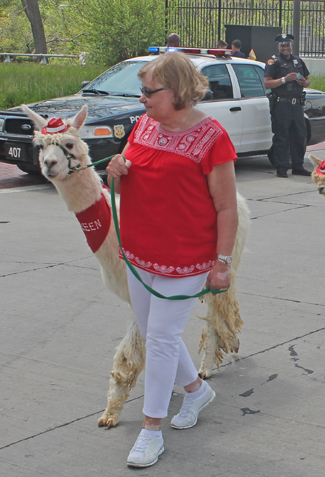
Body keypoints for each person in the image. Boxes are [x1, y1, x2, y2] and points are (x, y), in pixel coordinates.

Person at [106, 51, 238, 468]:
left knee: (161, 338)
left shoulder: (212, 137)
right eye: (141, 91)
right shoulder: (143, 125)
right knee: (154, 332)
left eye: (149, 91)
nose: (142, 99)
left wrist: (222, 261)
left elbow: (226, 207)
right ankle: (197, 391)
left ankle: (150, 430)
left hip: (187, 258)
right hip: (140, 253)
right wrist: (117, 169)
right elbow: (132, 179)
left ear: (178, 91)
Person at [263, 33, 311, 178]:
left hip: (297, 105)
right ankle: (282, 168)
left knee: (299, 136)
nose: (286, 47)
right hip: (281, 105)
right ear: (278, 46)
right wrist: (284, 80)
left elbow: (308, 80)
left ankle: (298, 166)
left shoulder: (298, 61)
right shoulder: (273, 62)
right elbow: (267, 83)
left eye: (288, 45)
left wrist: (304, 82)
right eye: (283, 45)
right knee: (281, 137)